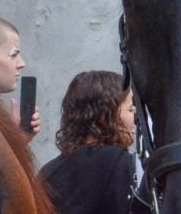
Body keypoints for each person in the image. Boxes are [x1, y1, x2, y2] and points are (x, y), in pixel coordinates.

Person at [39, 71, 137, 214]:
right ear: (105, 115)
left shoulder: (48, 172)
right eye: (130, 109)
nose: (136, 118)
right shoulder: (117, 161)